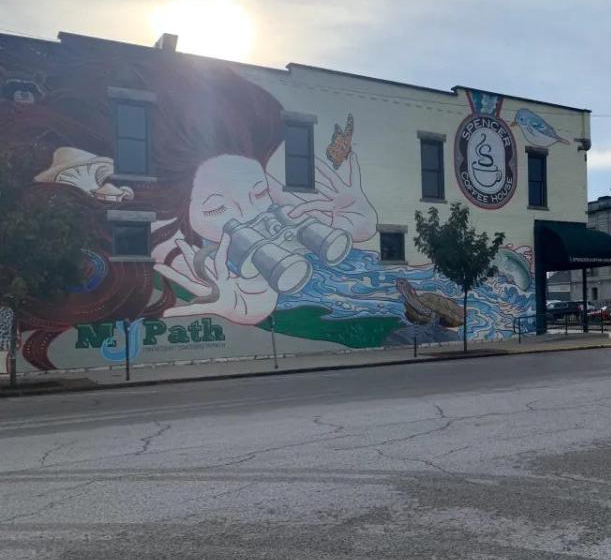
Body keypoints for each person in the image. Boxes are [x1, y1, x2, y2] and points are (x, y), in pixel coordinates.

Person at [0, 35, 376, 368]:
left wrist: (355, 223)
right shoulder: (153, 232)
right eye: (216, 210)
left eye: (259, 193)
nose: (250, 216)